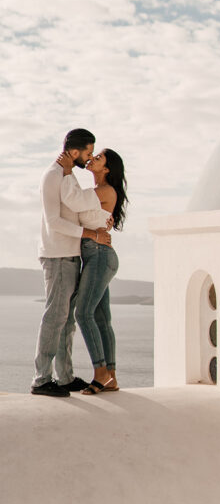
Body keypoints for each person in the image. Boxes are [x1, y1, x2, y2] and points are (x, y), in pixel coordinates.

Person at [31, 128, 113, 398]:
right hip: (57, 255)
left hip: (71, 254)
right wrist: (90, 233)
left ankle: (64, 377)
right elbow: (54, 221)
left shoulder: (68, 176)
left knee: (66, 321)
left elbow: (79, 210)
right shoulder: (53, 175)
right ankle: (41, 379)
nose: (89, 157)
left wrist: (103, 220)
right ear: (75, 151)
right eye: (88, 152)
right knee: (55, 317)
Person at [59, 147, 128, 394]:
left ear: (106, 169)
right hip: (97, 255)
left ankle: (100, 374)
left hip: (99, 255)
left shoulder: (104, 190)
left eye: (98, 158)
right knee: (101, 318)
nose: (92, 159)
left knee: (83, 314)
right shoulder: (99, 192)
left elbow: (73, 200)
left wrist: (67, 171)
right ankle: (111, 376)